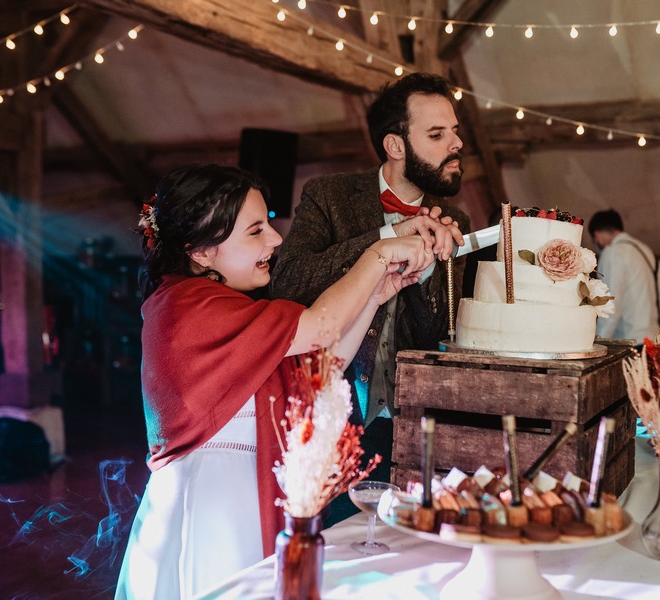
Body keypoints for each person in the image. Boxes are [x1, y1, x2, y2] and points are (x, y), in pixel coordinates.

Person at [115, 164, 435, 599]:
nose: (275, 239)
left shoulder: (219, 306)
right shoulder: (187, 307)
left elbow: (320, 368)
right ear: (201, 252)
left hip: (242, 493)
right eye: (255, 231)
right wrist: (377, 254)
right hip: (211, 508)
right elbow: (320, 326)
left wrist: (376, 294)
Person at [269, 72, 470, 522]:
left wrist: (430, 271)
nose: (455, 143)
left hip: (412, 423)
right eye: (437, 134)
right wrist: (386, 238)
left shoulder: (456, 219)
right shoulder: (329, 196)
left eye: (454, 131)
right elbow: (290, 281)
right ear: (395, 146)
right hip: (333, 415)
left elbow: (443, 332)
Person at [588, 209, 660, 343]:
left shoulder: (612, 253)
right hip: (658, 339)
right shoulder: (648, 251)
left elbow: (610, 305)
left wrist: (597, 342)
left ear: (597, 235)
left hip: (631, 341)